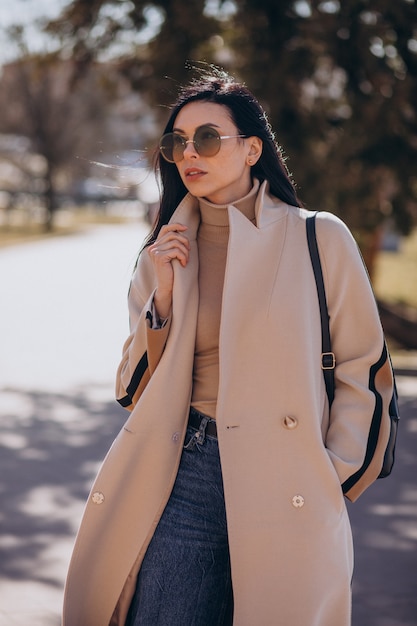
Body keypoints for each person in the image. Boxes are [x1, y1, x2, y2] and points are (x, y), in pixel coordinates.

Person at [63, 67, 395, 626]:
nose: (190, 152)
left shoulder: (320, 237)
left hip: (287, 477)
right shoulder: (162, 252)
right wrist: (163, 299)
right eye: (177, 143)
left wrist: (331, 473)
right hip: (184, 470)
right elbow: (130, 387)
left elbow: (364, 368)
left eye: (208, 138)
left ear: (251, 150)